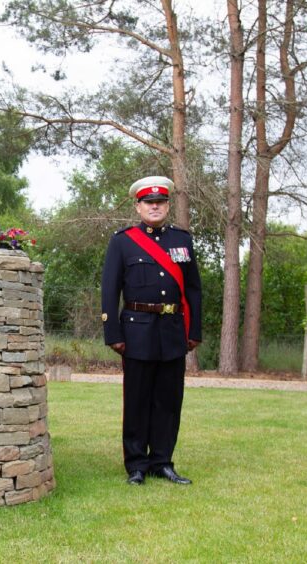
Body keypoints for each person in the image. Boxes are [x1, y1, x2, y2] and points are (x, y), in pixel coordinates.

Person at [101, 176, 202, 486]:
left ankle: (162, 461)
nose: (155, 206)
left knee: (168, 402)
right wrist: (113, 334)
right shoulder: (122, 241)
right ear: (138, 206)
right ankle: (136, 465)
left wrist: (194, 329)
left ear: (168, 205)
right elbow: (109, 289)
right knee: (137, 400)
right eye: (149, 202)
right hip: (136, 332)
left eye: (160, 202)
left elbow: (194, 290)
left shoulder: (182, 239)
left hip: (172, 331)